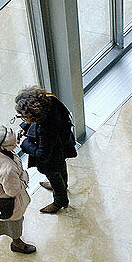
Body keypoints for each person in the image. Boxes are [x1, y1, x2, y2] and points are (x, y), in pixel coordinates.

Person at [15, 86, 77, 214]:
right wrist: (24, 126)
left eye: (25, 117)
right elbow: (37, 117)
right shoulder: (50, 101)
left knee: (55, 175)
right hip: (62, 147)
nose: (24, 119)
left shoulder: (46, 129)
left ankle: (60, 201)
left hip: (52, 158)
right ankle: (63, 185)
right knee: (61, 169)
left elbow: (42, 155)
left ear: (36, 116)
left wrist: (24, 143)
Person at [0, 125, 35, 254]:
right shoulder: (7, 169)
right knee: (14, 220)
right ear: (2, 147)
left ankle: (7, 236)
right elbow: (13, 191)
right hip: (6, 200)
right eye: (12, 144)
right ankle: (17, 243)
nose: (15, 146)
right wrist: (24, 177)